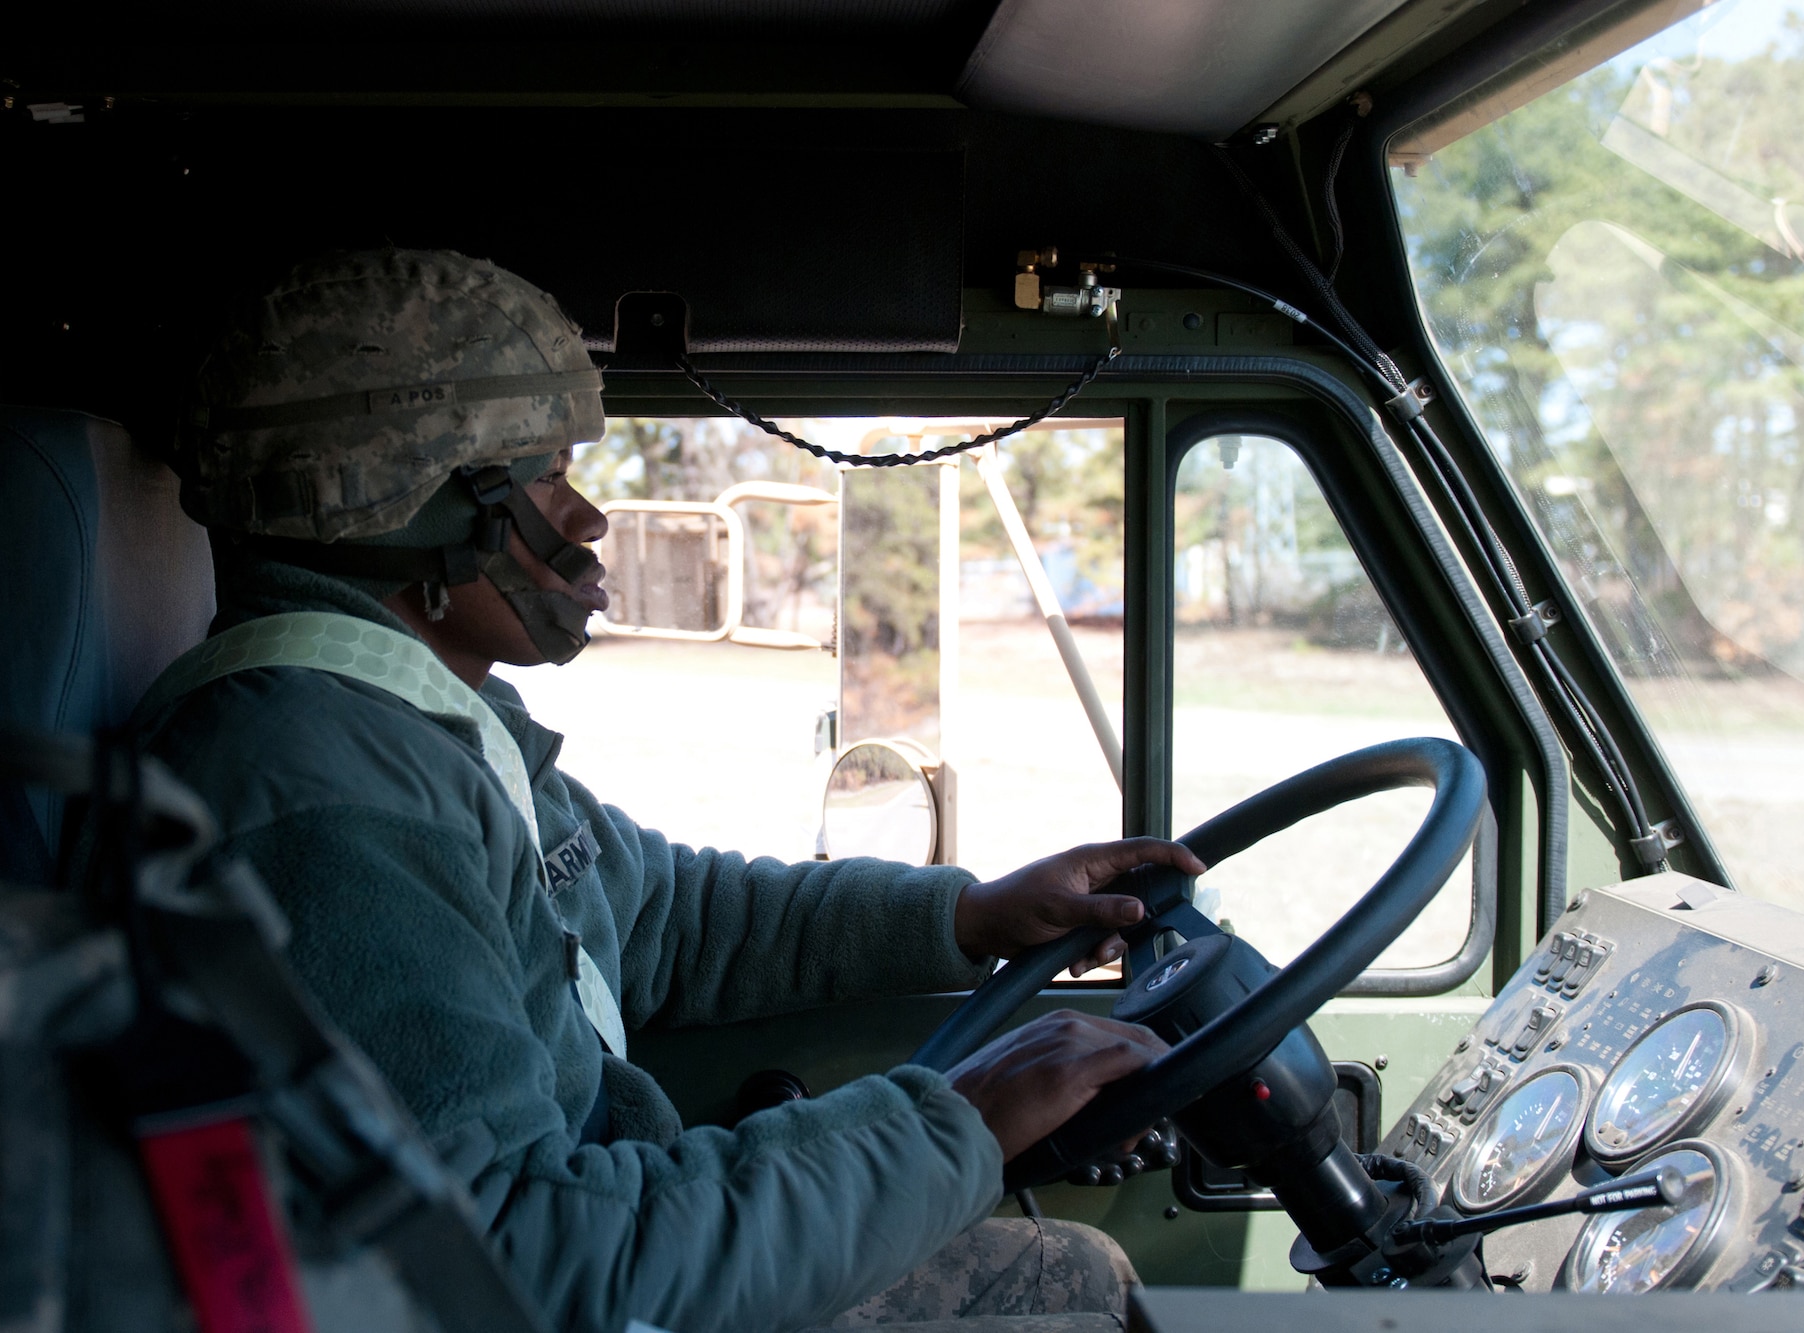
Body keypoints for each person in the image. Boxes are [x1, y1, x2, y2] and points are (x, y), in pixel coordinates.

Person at [137, 248, 1207, 1332]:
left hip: (610, 1239)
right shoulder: (319, 793)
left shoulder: (422, 723)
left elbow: (663, 917)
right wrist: (960, 1121)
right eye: (545, 477)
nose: (587, 520)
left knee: (1068, 1275)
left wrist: (966, 913)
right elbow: (508, 1260)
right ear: (410, 509)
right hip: (565, 1283)